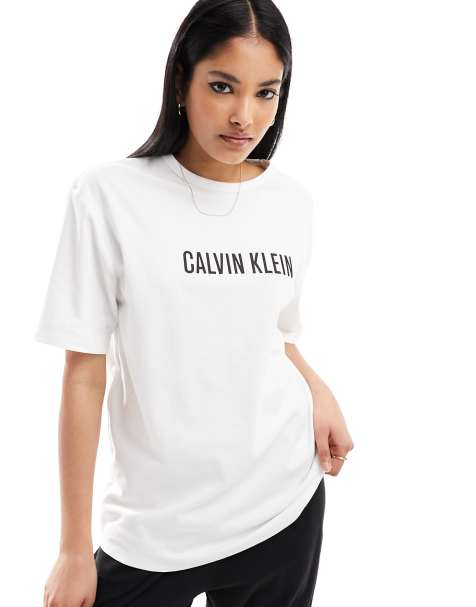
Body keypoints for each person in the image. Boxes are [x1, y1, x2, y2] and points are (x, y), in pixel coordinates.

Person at [35, 1, 354, 605]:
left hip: (282, 503)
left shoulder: (291, 202)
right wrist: (74, 549)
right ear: (181, 81)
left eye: (266, 92)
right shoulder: (109, 196)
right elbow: (83, 374)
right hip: (156, 530)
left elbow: (270, 334)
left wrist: (318, 389)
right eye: (222, 86)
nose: (244, 116)